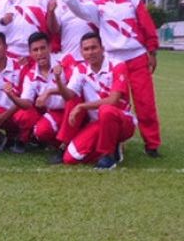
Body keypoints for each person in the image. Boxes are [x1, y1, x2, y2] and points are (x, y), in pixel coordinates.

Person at [61, 0, 161, 156]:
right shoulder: (96, 5)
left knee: (145, 103)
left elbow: (147, 25)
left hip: (137, 57)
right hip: (114, 60)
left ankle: (152, 144)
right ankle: (114, 141)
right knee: (113, 105)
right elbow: (78, 9)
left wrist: (152, 51)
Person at [53, 32, 136, 169]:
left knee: (106, 110)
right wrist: (58, 80)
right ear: (81, 52)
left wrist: (82, 106)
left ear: (102, 48)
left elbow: (113, 100)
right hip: (97, 123)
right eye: (86, 49)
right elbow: (69, 95)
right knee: (70, 158)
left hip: (122, 121)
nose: (90, 52)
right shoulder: (80, 69)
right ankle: (113, 147)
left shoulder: (117, 65)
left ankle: (108, 155)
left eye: (94, 47)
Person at [10, 32, 66, 149]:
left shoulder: (65, 61)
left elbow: (74, 92)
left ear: (50, 47)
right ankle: (60, 145)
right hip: (55, 112)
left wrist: (49, 92)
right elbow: (27, 103)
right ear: (30, 53)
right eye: (35, 50)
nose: (40, 53)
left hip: (74, 108)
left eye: (43, 48)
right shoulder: (30, 75)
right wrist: (11, 96)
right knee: (40, 131)